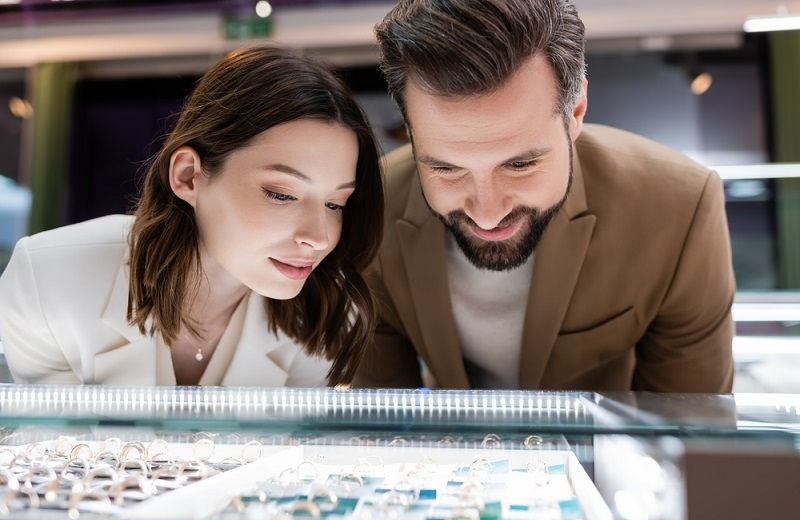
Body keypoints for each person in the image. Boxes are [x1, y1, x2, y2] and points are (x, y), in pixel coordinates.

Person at [353, 0, 735, 392]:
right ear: (411, 133)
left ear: (577, 111)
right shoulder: (371, 207)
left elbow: (692, 426)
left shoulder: (679, 206)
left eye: (520, 165)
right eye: (446, 168)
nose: (487, 214)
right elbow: (380, 427)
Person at [0, 45, 384, 387]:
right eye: (282, 194)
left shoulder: (326, 315)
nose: (318, 237)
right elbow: (53, 454)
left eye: (336, 204)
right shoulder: (48, 281)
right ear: (188, 176)